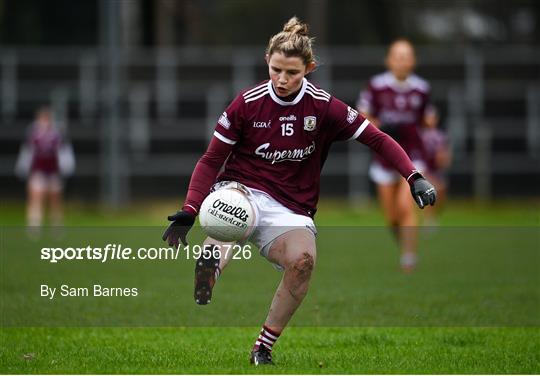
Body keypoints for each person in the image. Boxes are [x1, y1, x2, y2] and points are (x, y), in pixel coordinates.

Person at [163, 18, 436, 366]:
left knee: (304, 262)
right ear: (266, 60)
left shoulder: (324, 107)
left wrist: (414, 177)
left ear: (309, 68)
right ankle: (210, 269)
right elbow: (211, 158)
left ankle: (262, 348)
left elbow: (377, 138)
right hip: (241, 188)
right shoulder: (246, 103)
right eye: (276, 69)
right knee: (229, 216)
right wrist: (190, 209)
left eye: (292, 72)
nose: (282, 79)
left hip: (291, 205)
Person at [357, 38, 438, 272]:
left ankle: (409, 258)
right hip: (384, 157)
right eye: (398, 56)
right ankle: (406, 245)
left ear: (413, 61)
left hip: (413, 156)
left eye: (407, 57)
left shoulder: (421, 89)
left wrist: (430, 131)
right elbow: (363, 116)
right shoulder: (377, 86)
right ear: (389, 60)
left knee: (406, 205)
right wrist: (381, 126)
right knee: (392, 218)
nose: (402, 61)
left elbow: (428, 119)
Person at [15, 106, 74, 233]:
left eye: (47, 119)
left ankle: (56, 227)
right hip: (38, 171)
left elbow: (64, 152)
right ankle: (34, 226)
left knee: (55, 200)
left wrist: (67, 167)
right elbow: (27, 152)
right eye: (43, 118)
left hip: (53, 172)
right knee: (36, 198)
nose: (45, 121)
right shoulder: (33, 134)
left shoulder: (57, 134)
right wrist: (23, 168)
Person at [420, 123, 451, 227]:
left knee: (441, 193)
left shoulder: (440, 135)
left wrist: (444, 159)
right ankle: (428, 219)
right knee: (430, 191)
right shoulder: (420, 133)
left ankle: (433, 216)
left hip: (437, 170)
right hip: (424, 168)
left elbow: (444, 152)